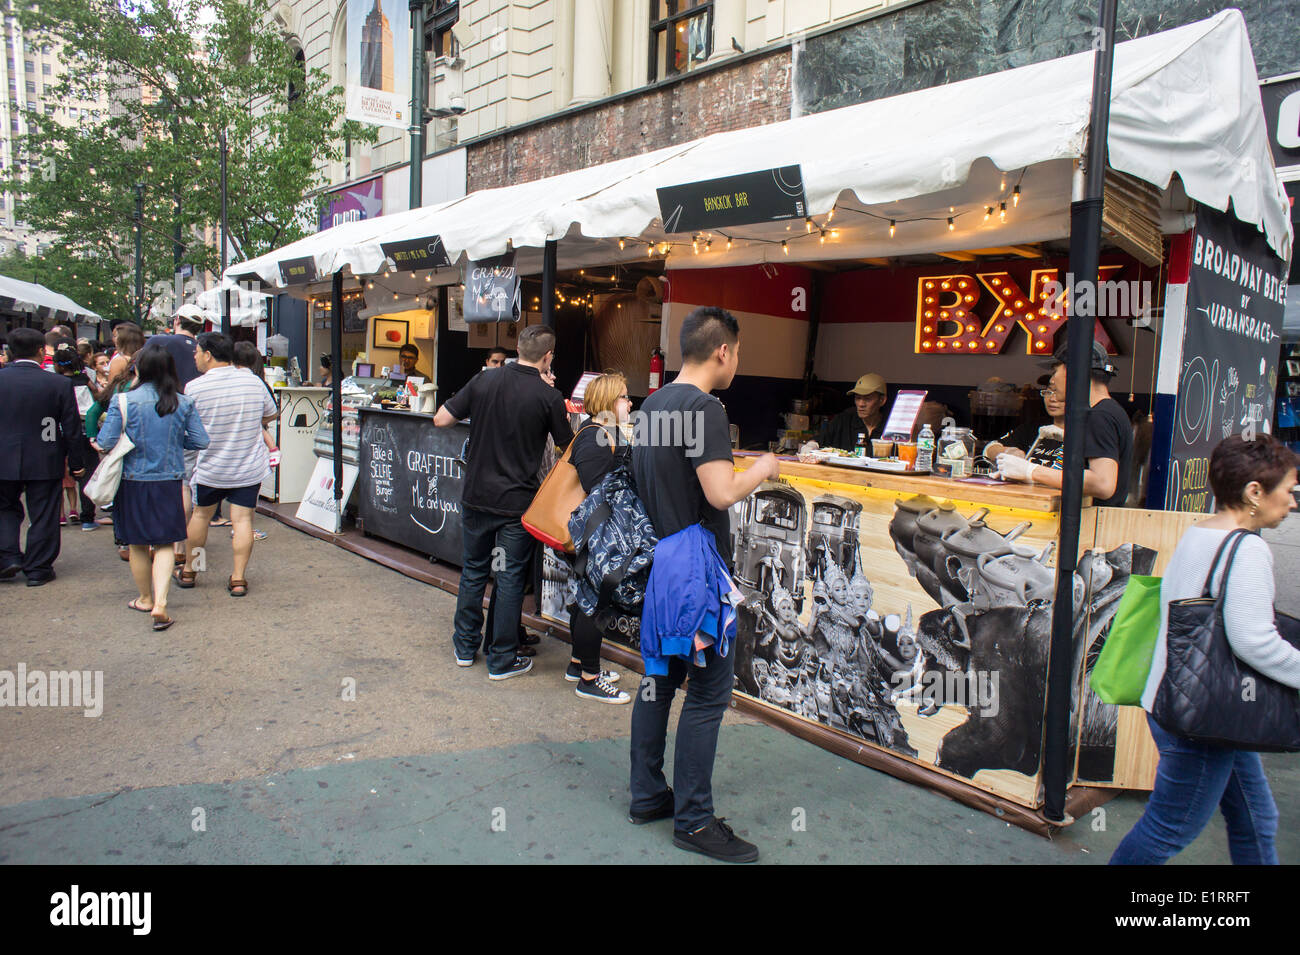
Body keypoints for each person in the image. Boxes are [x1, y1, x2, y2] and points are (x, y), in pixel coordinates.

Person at [629, 305, 780, 863]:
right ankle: (693, 821)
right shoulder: (705, 408)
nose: (737, 361)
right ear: (724, 351)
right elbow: (720, 493)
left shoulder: (655, 404)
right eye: (737, 352)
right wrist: (763, 467)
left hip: (662, 559)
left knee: (658, 680)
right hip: (696, 565)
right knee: (710, 691)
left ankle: (647, 793)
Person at [1111, 434, 1300, 865]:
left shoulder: (1202, 531)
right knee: (1167, 829)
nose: (1291, 503)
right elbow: (1254, 641)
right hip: (1203, 717)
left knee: (1256, 818)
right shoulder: (1246, 548)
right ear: (1255, 492)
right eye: (1288, 490)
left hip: (1180, 701)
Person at [433, 324, 573, 679]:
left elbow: (441, 419)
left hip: (476, 496)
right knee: (509, 578)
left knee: (474, 571)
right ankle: (501, 658)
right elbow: (566, 447)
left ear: (518, 348)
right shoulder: (547, 397)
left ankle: (465, 647)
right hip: (517, 504)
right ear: (547, 356)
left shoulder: (485, 380)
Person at [95, 346, 209, 630]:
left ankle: (145, 598)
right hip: (169, 480)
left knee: (137, 543)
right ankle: (161, 603)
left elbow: (106, 441)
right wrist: (173, 442)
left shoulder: (123, 400)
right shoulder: (183, 402)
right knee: (164, 543)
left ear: (140, 369)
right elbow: (201, 441)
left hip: (132, 481)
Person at [174, 333, 277, 597]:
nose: (195, 357)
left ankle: (191, 571)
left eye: (196, 352)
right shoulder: (253, 381)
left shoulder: (194, 388)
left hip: (211, 467)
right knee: (242, 520)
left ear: (208, 354)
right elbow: (272, 413)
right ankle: (238, 578)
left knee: (200, 517)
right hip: (247, 467)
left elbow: (187, 426)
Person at [564, 371, 633, 703]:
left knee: (585, 599)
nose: (629, 401)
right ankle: (590, 680)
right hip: (598, 533)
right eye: (623, 396)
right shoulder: (595, 437)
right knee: (596, 602)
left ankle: (579, 665)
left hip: (599, 531)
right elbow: (599, 492)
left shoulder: (606, 432)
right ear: (608, 401)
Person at [995, 341, 1133, 507]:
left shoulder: (1099, 415)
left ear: (1072, 373)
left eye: (1055, 372)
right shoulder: (1109, 410)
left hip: (1093, 523)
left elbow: (1103, 484)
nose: (1052, 380)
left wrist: (1029, 471)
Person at [0, 327, 87, 586]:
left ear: (9, 352)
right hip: (45, 454)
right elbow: (70, 427)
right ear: (41, 351)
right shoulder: (58, 383)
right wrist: (76, 462)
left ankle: (7, 556)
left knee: (4, 507)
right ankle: (38, 567)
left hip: (3, 456)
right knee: (44, 512)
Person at [52, 341, 100, 530]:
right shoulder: (84, 378)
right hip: (86, 427)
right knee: (87, 472)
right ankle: (87, 517)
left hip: (61, 428)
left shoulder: (57, 383)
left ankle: (59, 514)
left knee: (58, 471)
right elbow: (96, 394)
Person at [984, 375, 1066, 470]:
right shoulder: (1034, 427)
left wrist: (1029, 473)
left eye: (1059, 392)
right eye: (1049, 392)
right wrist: (1007, 451)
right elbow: (990, 448)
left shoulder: (1085, 435)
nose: (1052, 399)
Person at [806, 373, 889, 452]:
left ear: (882, 400)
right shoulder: (844, 419)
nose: (861, 404)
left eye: (867, 399)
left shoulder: (890, 426)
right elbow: (819, 439)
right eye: (857, 398)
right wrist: (810, 446)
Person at [149, 304, 205, 389]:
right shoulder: (204, 350)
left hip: (163, 398)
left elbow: (138, 373)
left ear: (177, 320)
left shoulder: (157, 341)